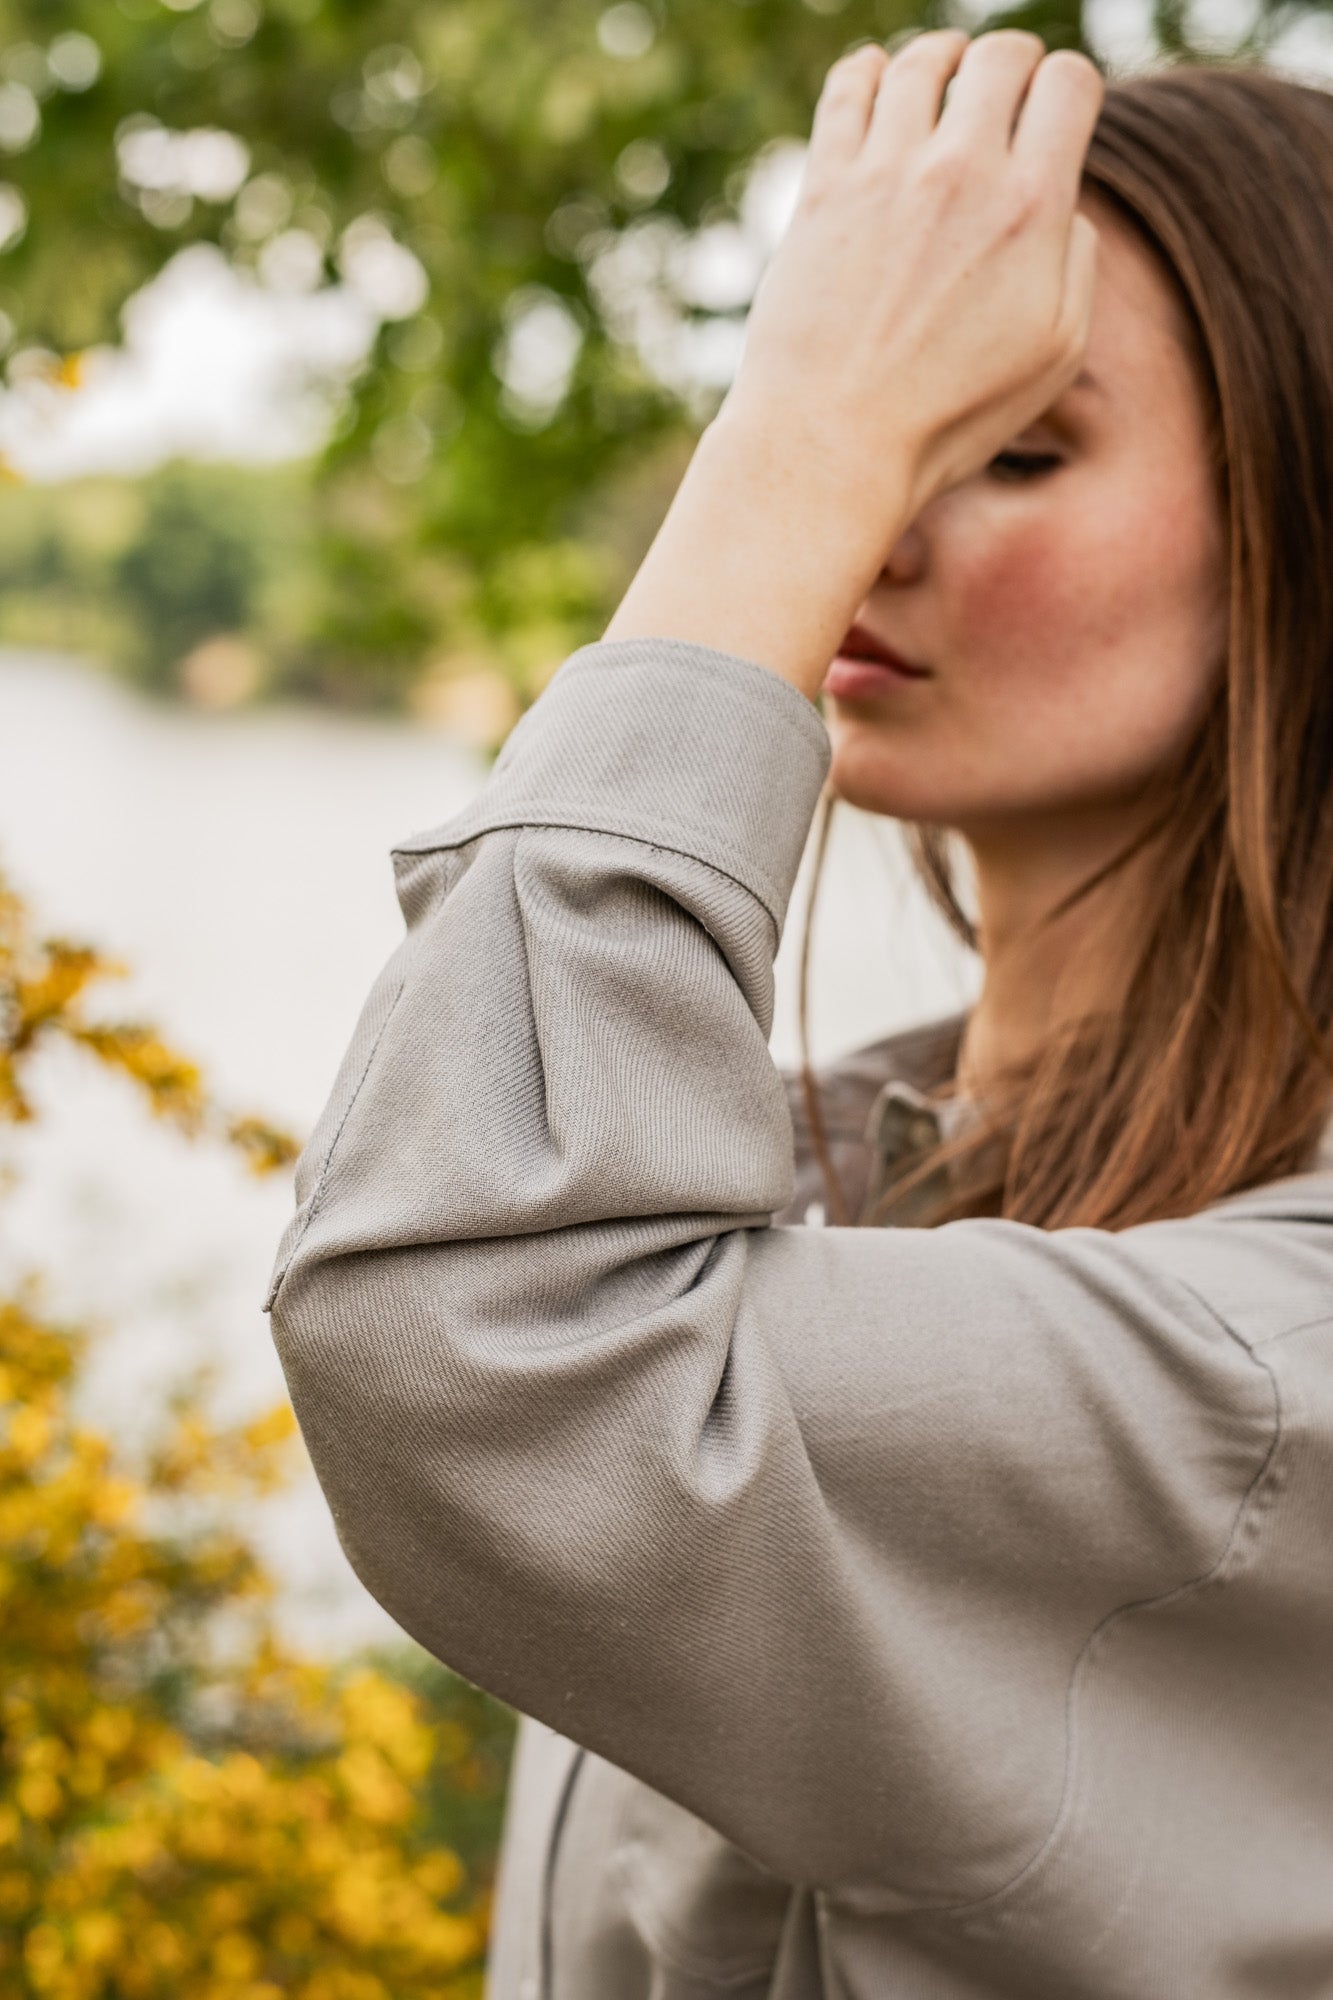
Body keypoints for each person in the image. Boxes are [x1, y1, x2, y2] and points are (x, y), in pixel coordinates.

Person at [265, 32, 1333, 1997]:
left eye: (1015, 444)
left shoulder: (1273, 1361)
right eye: (887, 433)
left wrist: (799, 438)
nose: (875, 530)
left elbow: (475, 1336)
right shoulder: (832, 1190)